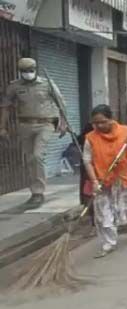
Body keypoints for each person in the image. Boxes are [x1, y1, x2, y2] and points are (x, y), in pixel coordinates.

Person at [83, 104, 127, 258]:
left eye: (103, 122)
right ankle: (109, 243)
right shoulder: (91, 138)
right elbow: (87, 160)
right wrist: (94, 181)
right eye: (96, 123)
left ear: (111, 119)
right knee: (102, 212)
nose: (99, 126)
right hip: (103, 180)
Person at [0, 58, 67, 209]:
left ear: (35, 69)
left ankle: (38, 192)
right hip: (25, 125)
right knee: (31, 158)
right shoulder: (14, 86)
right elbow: (5, 106)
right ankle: (35, 192)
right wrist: (2, 127)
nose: (28, 73)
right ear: (20, 71)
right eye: (25, 71)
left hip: (46, 124)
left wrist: (63, 123)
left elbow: (61, 102)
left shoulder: (47, 83)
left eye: (30, 70)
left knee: (37, 155)